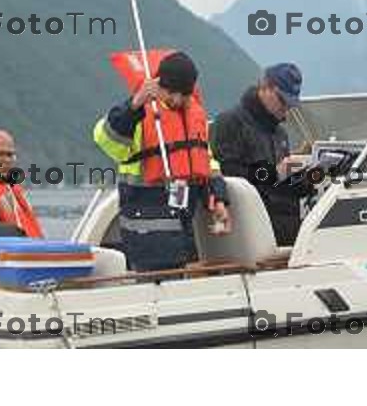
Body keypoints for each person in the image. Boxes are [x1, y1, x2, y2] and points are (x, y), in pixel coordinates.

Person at [93, 51, 231, 272]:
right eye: (172, 93)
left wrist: (218, 199)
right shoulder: (137, 115)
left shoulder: (195, 117)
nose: (177, 100)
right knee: (157, 292)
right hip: (145, 234)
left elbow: (208, 163)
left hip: (182, 228)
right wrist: (133, 106)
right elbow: (105, 138)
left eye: (184, 95)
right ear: (159, 85)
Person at [211, 63, 303, 246]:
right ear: (265, 88)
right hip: (251, 223)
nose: (286, 108)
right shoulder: (229, 122)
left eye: (290, 103)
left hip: (285, 219)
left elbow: (280, 182)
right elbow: (230, 174)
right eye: (283, 100)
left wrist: (303, 177)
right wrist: (274, 173)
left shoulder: (280, 133)